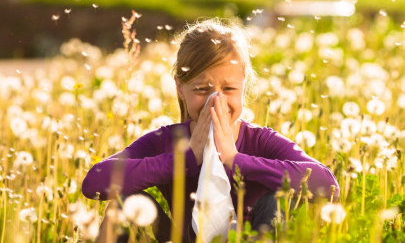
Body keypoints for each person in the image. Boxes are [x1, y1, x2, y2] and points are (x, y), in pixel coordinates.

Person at [81, 18, 340, 243]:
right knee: (122, 204)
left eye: (228, 89)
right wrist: (185, 158)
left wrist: (235, 160)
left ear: (244, 87)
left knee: (275, 201)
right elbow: (94, 183)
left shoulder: (262, 141)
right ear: (180, 89)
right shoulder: (166, 140)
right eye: (202, 90)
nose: (216, 101)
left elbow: (328, 186)